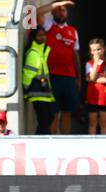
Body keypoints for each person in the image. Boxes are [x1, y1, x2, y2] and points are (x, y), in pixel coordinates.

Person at [37, 0, 81, 134]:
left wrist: (78, 77)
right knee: (54, 112)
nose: (61, 12)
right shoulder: (48, 26)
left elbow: (75, 55)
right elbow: (36, 13)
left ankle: (64, 141)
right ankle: (53, 141)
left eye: (64, 10)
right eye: (58, 9)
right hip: (52, 76)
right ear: (53, 11)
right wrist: (59, 3)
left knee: (67, 111)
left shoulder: (72, 31)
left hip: (69, 78)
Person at [22, 26, 56, 135]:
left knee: (49, 118)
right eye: (40, 35)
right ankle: (42, 142)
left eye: (44, 35)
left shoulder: (41, 51)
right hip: (37, 92)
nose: (43, 37)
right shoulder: (34, 53)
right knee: (44, 121)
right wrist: (26, 90)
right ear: (34, 37)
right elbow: (28, 74)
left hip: (44, 92)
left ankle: (40, 140)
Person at [85, 38, 106, 135]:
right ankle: (91, 147)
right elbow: (92, 77)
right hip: (92, 97)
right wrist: (96, 62)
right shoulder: (89, 64)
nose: (96, 52)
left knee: (103, 123)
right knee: (92, 122)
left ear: (104, 49)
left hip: (104, 98)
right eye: (94, 50)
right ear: (91, 52)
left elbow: (92, 79)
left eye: (99, 49)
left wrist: (94, 79)